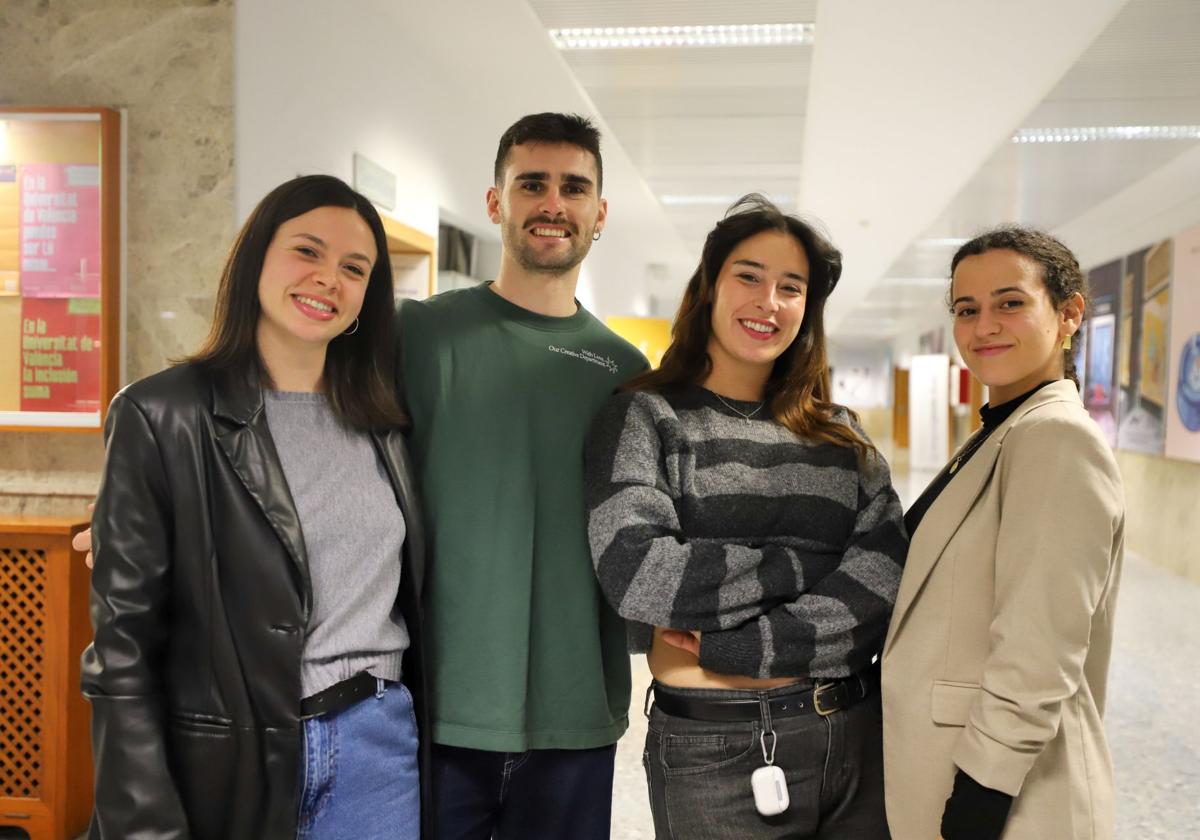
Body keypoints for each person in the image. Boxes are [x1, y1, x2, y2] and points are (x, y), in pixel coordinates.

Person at [81, 175, 429, 840]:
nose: (330, 278)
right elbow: (121, 651)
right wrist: (142, 821)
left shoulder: (385, 424)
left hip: (374, 751)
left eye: (354, 268)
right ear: (256, 258)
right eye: (308, 251)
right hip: (225, 756)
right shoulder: (163, 414)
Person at [585, 195, 907, 838]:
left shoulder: (842, 437)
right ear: (709, 287)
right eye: (749, 276)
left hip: (854, 740)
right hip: (717, 752)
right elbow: (639, 574)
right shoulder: (647, 417)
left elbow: (885, 582)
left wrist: (730, 642)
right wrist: (807, 565)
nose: (769, 302)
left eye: (792, 287)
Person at [396, 113, 646, 839]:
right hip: (437, 704)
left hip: (573, 713)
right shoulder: (421, 335)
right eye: (531, 183)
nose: (552, 204)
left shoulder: (626, 373)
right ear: (495, 201)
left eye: (574, 187)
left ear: (599, 212)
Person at [881, 227, 1125, 840]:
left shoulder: (1054, 439)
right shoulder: (1002, 430)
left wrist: (980, 796)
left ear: (1069, 314)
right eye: (968, 310)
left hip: (1006, 796)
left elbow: (1040, 646)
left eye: (1010, 303)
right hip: (952, 766)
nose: (984, 325)